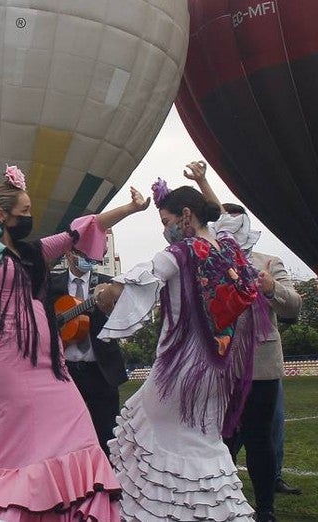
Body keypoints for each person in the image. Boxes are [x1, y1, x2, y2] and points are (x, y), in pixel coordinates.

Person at [0, 168, 147, 522]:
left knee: (81, 433)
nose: (30, 217)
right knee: (16, 451)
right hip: (12, 360)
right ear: (1, 215)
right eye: (24, 211)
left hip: (51, 362)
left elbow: (81, 231)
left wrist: (131, 209)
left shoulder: (33, 252)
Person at [98, 177, 263, 521]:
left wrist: (105, 294)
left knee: (149, 441)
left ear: (186, 215)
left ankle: (159, 513)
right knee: (205, 443)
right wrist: (204, 182)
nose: (166, 230)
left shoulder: (179, 253)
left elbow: (137, 284)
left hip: (177, 370)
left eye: (167, 222)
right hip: (217, 371)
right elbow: (231, 220)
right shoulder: (229, 248)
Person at [214, 202, 301, 520]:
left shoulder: (269, 263)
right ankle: (219, 498)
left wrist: (271, 287)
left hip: (260, 367)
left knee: (259, 437)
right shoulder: (212, 263)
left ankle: (264, 507)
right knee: (218, 439)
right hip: (219, 366)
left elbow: (293, 306)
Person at [46, 244, 128, 455]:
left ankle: (109, 485)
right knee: (67, 438)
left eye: (88, 253)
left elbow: (126, 322)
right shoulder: (51, 285)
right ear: (68, 253)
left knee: (107, 438)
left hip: (101, 372)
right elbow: (44, 322)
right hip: (66, 373)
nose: (85, 257)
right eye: (80, 253)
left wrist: (109, 310)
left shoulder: (109, 285)